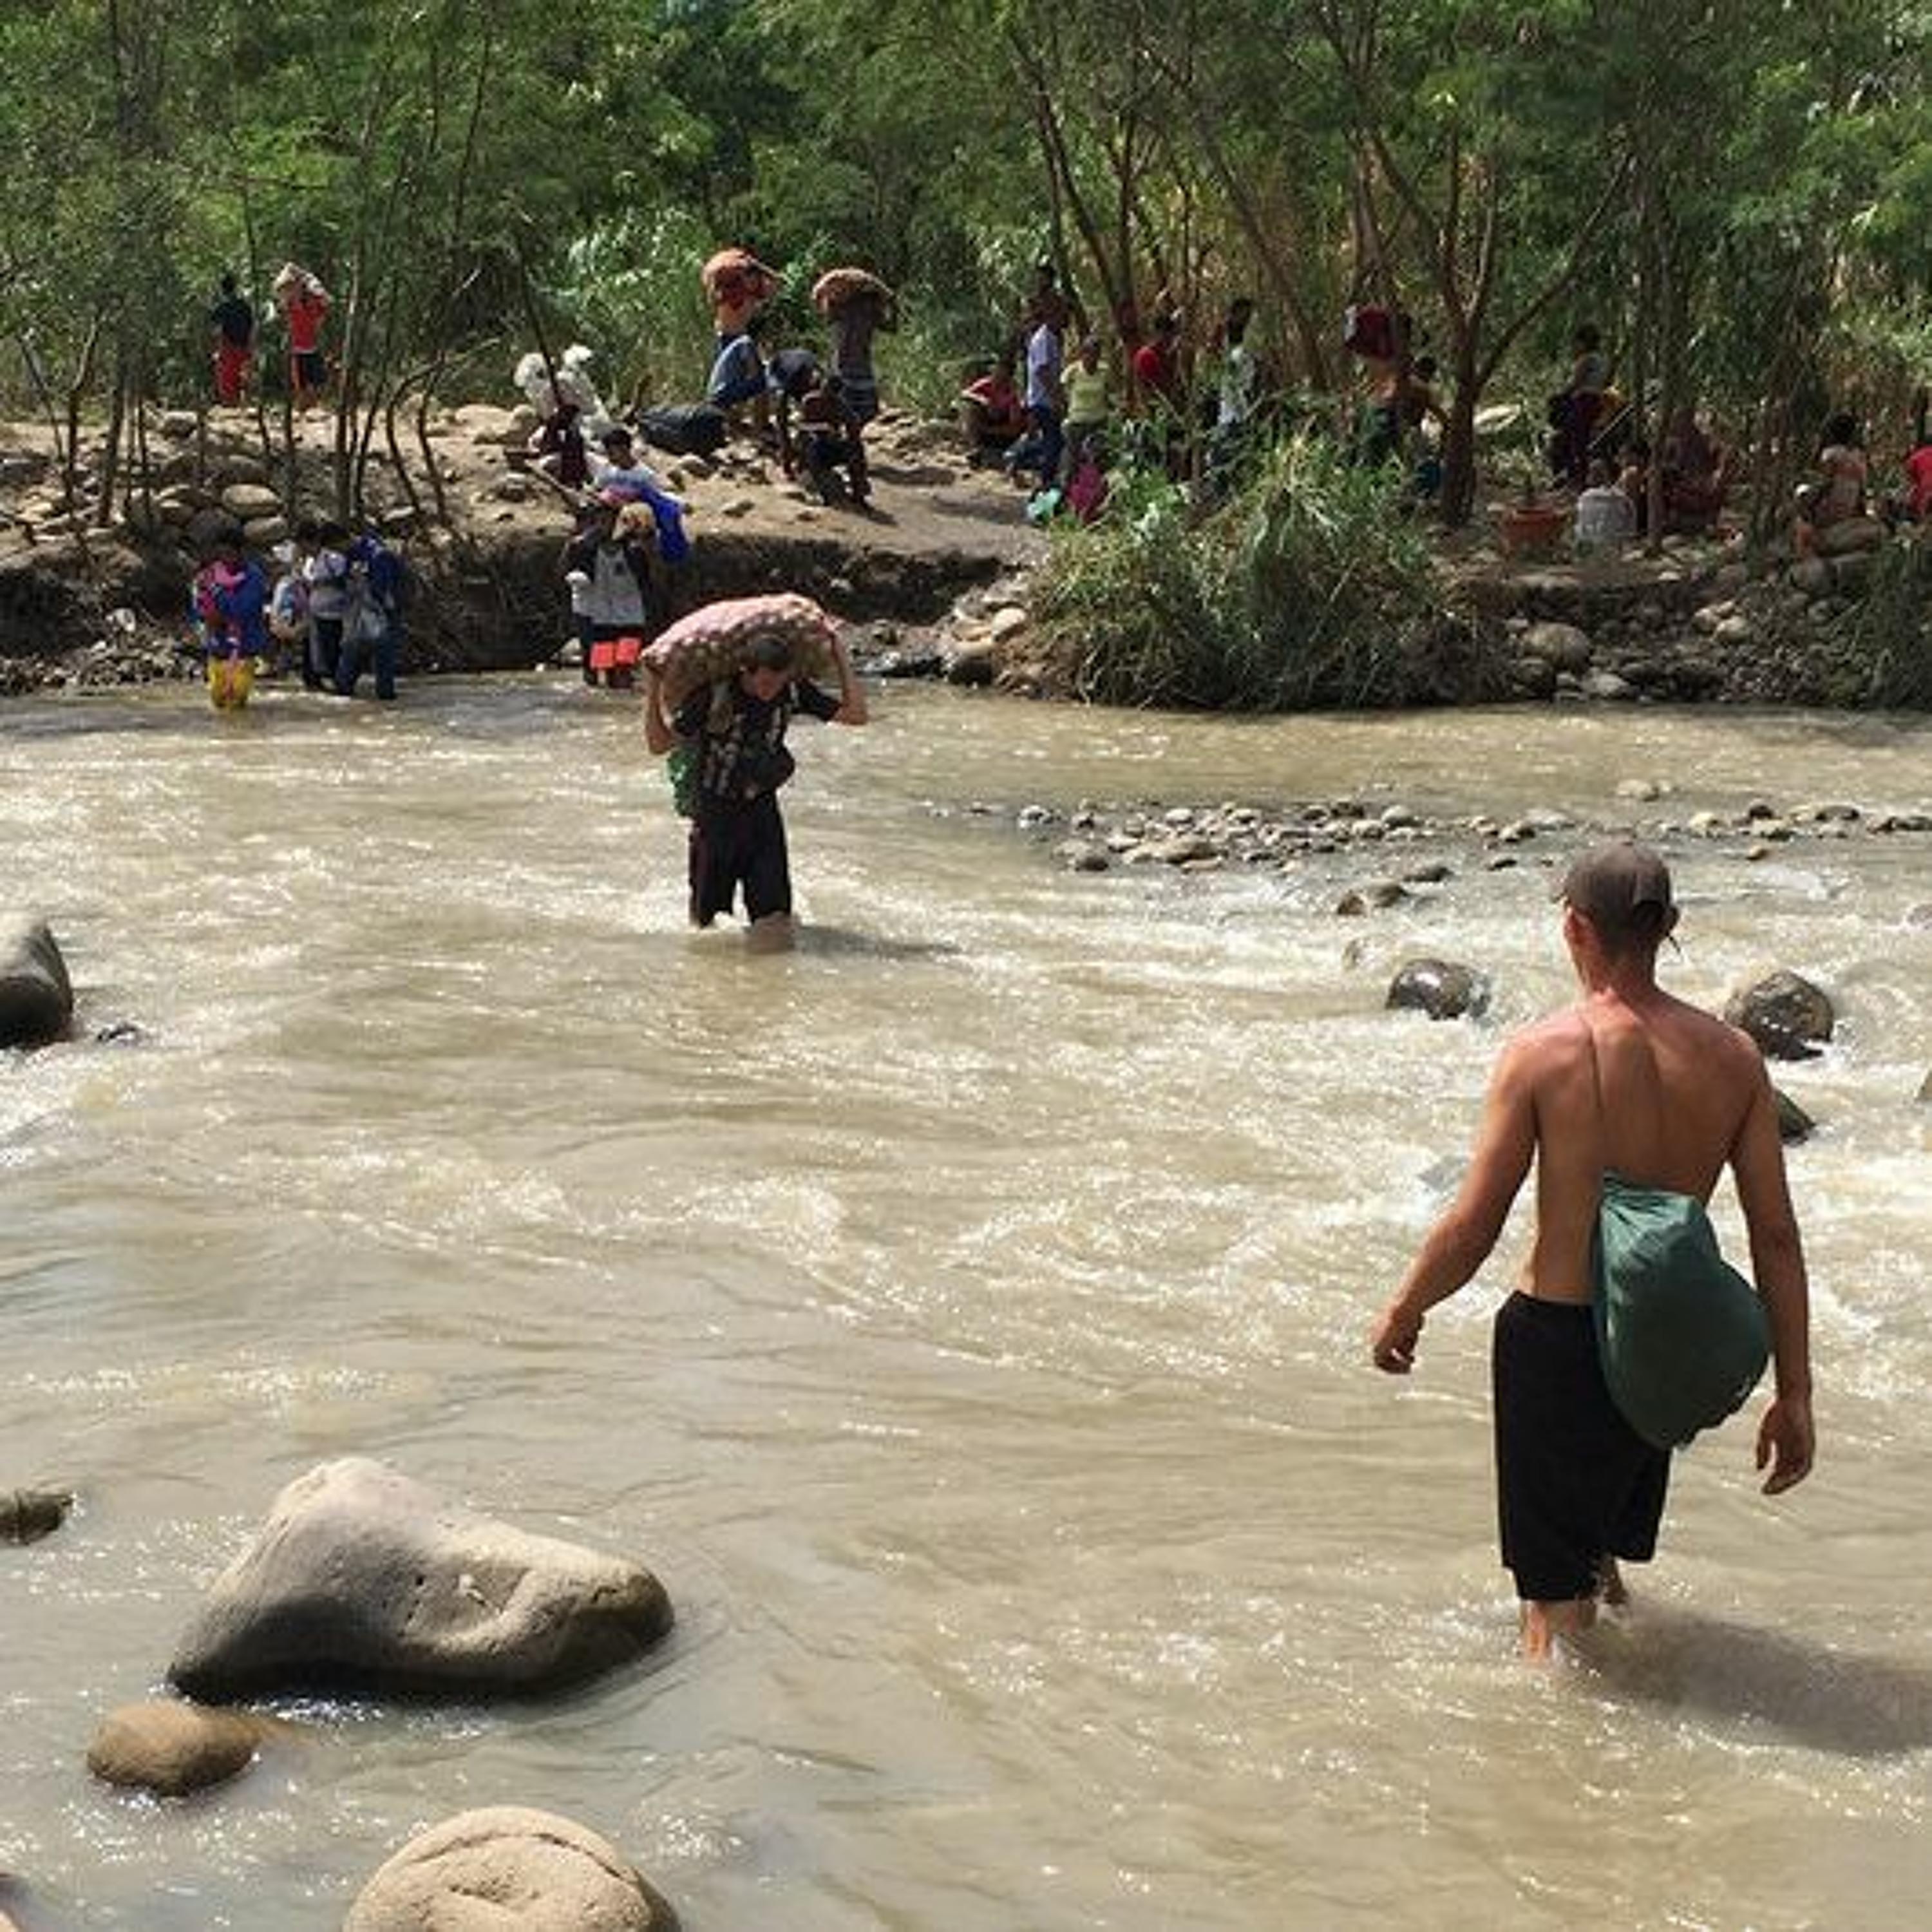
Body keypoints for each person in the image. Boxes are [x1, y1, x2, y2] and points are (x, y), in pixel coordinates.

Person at [1370, 843, 1815, 1659]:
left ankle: (1565, 1739)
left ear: (1574, 927)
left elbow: (1474, 1224)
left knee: (1555, 1607)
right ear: (1669, 925)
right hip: (1659, 1338)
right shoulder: (1734, 1058)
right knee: (1603, 1567)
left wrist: (1406, 1308)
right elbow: (1776, 1237)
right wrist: (1795, 1393)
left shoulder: (1544, 1052)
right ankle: (1648, 1704)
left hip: (1560, 1342)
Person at [642, 626, 867, 947]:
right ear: (744, 672)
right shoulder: (713, 697)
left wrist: (841, 658)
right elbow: (658, 745)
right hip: (715, 815)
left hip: (762, 814)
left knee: (775, 921)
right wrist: (652, 689)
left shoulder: (792, 692)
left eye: (777, 682)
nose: (770, 691)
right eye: (763, 682)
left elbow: (856, 715)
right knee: (708, 929)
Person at [561, 495, 652, 689]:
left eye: (610, 521)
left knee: (625, 667)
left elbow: (646, 581)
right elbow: (567, 571)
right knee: (603, 668)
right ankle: (605, 701)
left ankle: (619, 697)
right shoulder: (584, 547)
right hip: (601, 619)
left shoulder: (634, 550)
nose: (605, 526)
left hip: (631, 619)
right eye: (601, 521)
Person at [769, 347, 871, 507]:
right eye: (824, 393)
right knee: (810, 444)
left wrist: (855, 457)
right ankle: (813, 480)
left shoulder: (839, 404)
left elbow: (853, 429)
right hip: (780, 367)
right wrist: (787, 457)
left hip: (824, 439)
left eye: (830, 396)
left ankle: (859, 496)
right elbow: (785, 419)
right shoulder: (798, 387)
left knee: (855, 449)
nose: (824, 396)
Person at [189, 539, 269, 711]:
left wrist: (216, 591)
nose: (225, 559)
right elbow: (198, 608)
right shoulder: (210, 574)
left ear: (241, 553)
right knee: (218, 703)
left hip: (244, 650)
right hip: (217, 648)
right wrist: (205, 615)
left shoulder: (254, 577)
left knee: (235, 703)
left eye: (230, 554)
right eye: (221, 555)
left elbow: (243, 611)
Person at [334, 529, 404, 701]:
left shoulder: (378, 554)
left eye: (337, 548)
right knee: (349, 668)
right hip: (360, 617)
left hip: (384, 616)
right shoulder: (352, 555)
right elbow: (346, 582)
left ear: (344, 540)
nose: (338, 553)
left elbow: (382, 589)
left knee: (383, 668)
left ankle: (385, 703)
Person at [1005, 310, 1065, 490]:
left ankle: (1017, 458)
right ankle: (1045, 481)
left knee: (1051, 440)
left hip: (1042, 399)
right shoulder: (1042, 339)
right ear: (1051, 317)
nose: (1065, 319)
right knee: (1054, 440)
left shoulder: (1052, 338)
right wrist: (1055, 398)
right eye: (1062, 316)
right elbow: (1042, 370)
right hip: (1042, 400)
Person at [1549, 323, 1609, 487]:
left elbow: (1575, 384)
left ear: (1583, 342)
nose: (1575, 346)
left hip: (1583, 401)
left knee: (1573, 443)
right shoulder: (1602, 360)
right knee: (1579, 442)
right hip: (1595, 402)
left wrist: (1558, 397)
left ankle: (1576, 481)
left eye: (1577, 342)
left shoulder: (1587, 359)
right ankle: (1579, 480)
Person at [297, 518, 350, 691]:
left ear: (311, 541)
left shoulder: (333, 559)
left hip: (333, 615)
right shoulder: (308, 562)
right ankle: (314, 684)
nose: (301, 548)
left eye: (303, 544)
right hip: (313, 614)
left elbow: (346, 583)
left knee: (331, 653)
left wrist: (324, 582)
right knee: (311, 654)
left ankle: (338, 684)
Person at [274, 263, 331, 410]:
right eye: (287, 290)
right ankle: (303, 407)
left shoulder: (311, 300)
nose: (289, 292)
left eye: (291, 288)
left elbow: (325, 305)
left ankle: (309, 404)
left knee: (318, 385)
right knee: (301, 387)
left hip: (314, 348)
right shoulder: (289, 304)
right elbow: (282, 313)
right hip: (297, 351)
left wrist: (308, 280)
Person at [958, 352, 1029, 461]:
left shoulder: (1012, 390)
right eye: (996, 372)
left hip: (1003, 427)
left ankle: (1004, 450)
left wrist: (990, 429)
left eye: (1002, 374)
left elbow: (1015, 422)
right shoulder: (987, 383)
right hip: (987, 421)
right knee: (970, 409)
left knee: (1021, 423)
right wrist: (984, 401)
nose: (997, 376)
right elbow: (965, 393)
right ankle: (976, 448)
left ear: (1008, 376)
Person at [209, 273, 255, 407]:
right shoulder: (245, 306)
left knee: (227, 377)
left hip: (228, 346)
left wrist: (216, 347)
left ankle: (230, 404)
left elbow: (215, 327)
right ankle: (244, 403)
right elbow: (252, 327)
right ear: (235, 287)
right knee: (243, 376)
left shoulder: (222, 307)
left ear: (222, 290)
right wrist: (251, 346)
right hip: (244, 345)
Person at [1573, 457, 1636, 553]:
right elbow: (1631, 526)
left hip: (1591, 546)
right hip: (1615, 545)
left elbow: (1580, 525)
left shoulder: (1585, 497)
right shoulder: (1624, 499)